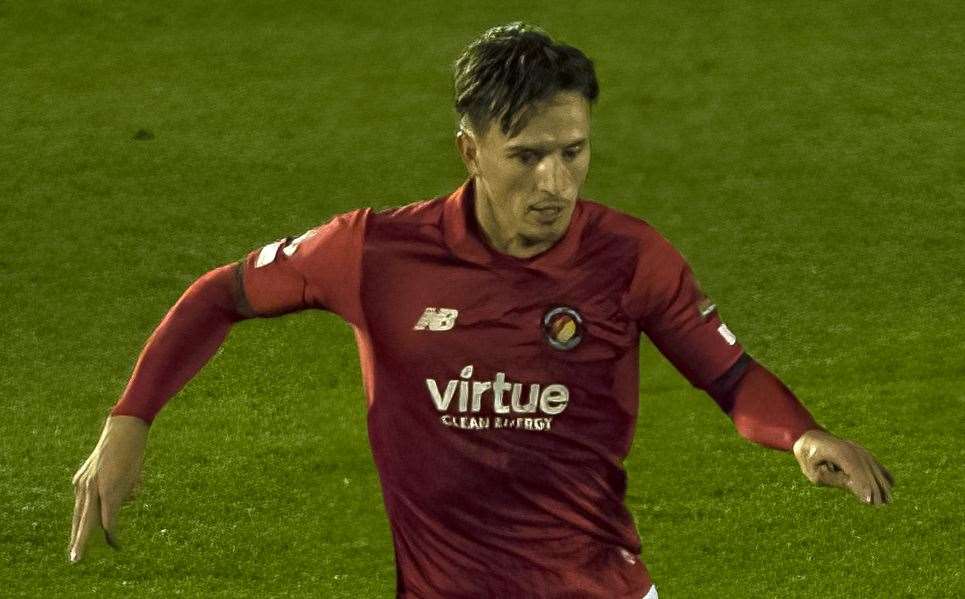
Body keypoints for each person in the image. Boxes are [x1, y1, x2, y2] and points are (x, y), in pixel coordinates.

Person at [69, 22, 894, 599]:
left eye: (573, 153)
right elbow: (221, 293)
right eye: (527, 157)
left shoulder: (629, 256)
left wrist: (800, 432)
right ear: (470, 151)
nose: (555, 183)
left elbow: (730, 372)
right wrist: (129, 420)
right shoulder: (373, 252)